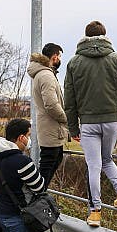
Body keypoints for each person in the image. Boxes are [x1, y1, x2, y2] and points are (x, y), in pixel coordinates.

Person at [64, 21, 117, 227]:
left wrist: (73, 128)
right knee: (107, 159)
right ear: (105, 36)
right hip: (113, 119)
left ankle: (95, 211)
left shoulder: (74, 62)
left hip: (88, 122)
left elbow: (70, 100)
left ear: (85, 37)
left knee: (94, 165)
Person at [27, 43, 69, 189]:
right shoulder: (46, 75)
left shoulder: (43, 74)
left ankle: (38, 196)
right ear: (55, 56)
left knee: (54, 160)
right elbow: (51, 105)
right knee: (47, 166)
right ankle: (37, 199)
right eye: (59, 56)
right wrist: (66, 118)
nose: (60, 60)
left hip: (49, 129)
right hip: (51, 129)